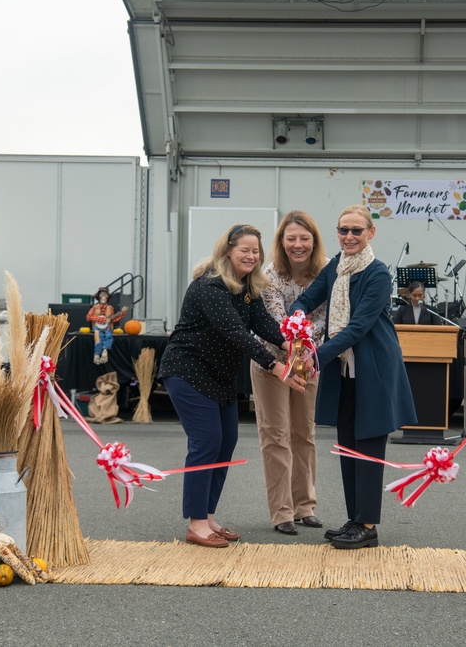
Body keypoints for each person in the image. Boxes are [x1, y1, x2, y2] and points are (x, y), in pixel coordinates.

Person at [158, 224, 306, 549]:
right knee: (206, 442)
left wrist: (292, 345)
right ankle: (196, 524)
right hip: (188, 370)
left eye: (256, 251)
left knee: (226, 443)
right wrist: (276, 366)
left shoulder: (247, 288)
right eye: (245, 250)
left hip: (219, 376)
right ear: (228, 250)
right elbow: (236, 332)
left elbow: (262, 323)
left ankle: (208, 517)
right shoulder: (210, 286)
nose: (251, 256)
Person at [290, 205, 417, 549]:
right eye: (343, 230)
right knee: (348, 447)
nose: (349, 236)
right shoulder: (335, 267)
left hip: (374, 369)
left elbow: (359, 326)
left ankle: (368, 525)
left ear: (370, 233)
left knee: (370, 448)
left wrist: (318, 354)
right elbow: (306, 299)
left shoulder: (377, 274)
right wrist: (297, 319)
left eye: (356, 231)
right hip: (344, 370)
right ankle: (355, 518)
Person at [251, 211, 328, 536]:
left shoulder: (327, 272)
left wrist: (309, 352)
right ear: (281, 242)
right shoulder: (269, 273)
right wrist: (292, 350)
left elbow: (325, 316)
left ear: (313, 240)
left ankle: (304, 505)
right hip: (272, 363)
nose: (298, 245)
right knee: (276, 435)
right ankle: (281, 511)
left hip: (309, 363)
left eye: (304, 238)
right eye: (291, 238)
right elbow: (274, 318)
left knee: (304, 434)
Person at [86, 286, 128, 365]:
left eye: (105, 295)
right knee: (99, 336)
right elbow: (88, 317)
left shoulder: (110, 308)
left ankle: (105, 352)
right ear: (98, 296)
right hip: (97, 328)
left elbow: (113, 319)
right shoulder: (95, 307)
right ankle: (97, 354)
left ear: (108, 297)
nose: (103, 297)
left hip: (107, 327)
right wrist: (101, 319)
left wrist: (122, 313)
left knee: (109, 336)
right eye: (101, 295)